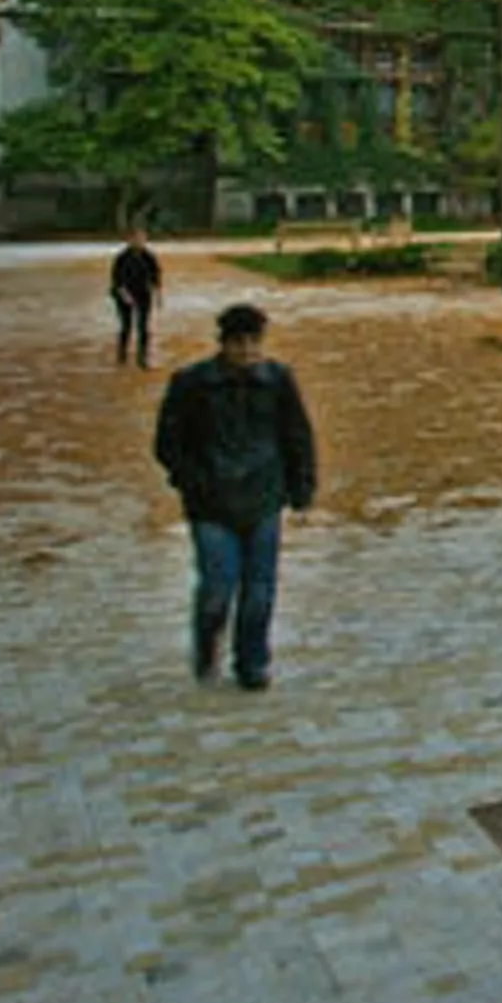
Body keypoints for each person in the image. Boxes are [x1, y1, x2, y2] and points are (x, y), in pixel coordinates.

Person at [154, 304, 319, 692]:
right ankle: (207, 642)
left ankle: (252, 661)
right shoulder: (192, 384)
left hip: (263, 496)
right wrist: (192, 479)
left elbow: (297, 435)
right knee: (218, 588)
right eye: (239, 343)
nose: (247, 351)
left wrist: (301, 486)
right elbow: (167, 443)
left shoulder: (277, 381)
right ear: (224, 343)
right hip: (211, 502)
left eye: (253, 343)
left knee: (260, 590)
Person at [110, 226, 164, 368]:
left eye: (142, 238)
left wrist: (158, 295)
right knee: (126, 326)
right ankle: (122, 356)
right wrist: (125, 296)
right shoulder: (121, 258)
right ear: (129, 240)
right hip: (123, 294)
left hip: (143, 293)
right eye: (136, 239)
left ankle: (143, 358)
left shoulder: (149, 256)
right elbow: (117, 280)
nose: (139, 241)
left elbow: (156, 277)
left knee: (144, 326)